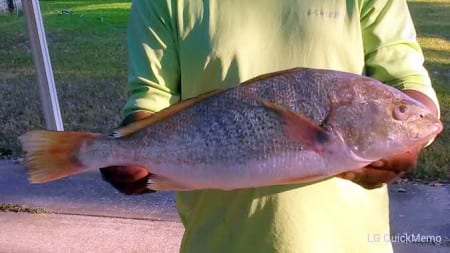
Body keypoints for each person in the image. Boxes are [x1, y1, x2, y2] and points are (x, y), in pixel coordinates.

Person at [100, 0, 440, 252]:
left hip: (347, 242)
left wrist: (409, 140)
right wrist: (127, 152)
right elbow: (150, 97)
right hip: (218, 241)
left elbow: (405, 80)